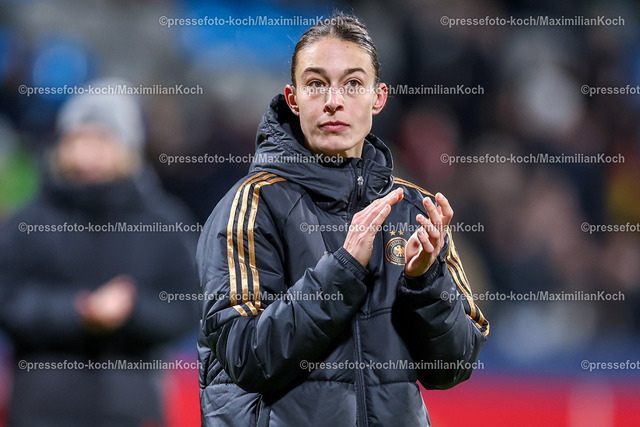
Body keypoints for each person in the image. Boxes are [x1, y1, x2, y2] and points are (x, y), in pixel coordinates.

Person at [197, 14, 489, 426]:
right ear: (293, 98)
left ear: (378, 97)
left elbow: (453, 367)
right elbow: (246, 357)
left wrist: (425, 282)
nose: (333, 100)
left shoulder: (413, 209)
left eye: (352, 83)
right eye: (316, 84)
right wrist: (343, 269)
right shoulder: (252, 205)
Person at [0, 80, 197, 427]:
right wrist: (75, 310)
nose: (88, 153)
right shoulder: (28, 221)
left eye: (102, 139)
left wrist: (132, 310)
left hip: (130, 409)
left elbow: (189, 305)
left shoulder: (163, 222)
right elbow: (8, 299)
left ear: (128, 147)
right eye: (78, 138)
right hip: (42, 409)